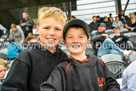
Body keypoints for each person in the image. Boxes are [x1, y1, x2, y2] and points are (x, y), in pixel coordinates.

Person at [40, 19, 120, 91]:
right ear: (65, 43)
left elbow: (113, 85)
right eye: (70, 37)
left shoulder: (98, 63)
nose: (75, 40)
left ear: (88, 41)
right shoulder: (62, 68)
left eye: (81, 37)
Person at [1, 7, 67, 91]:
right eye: (46, 28)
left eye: (57, 29)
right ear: (38, 30)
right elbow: (10, 88)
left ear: (63, 32)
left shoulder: (64, 58)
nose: (51, 33)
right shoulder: (26, 56)